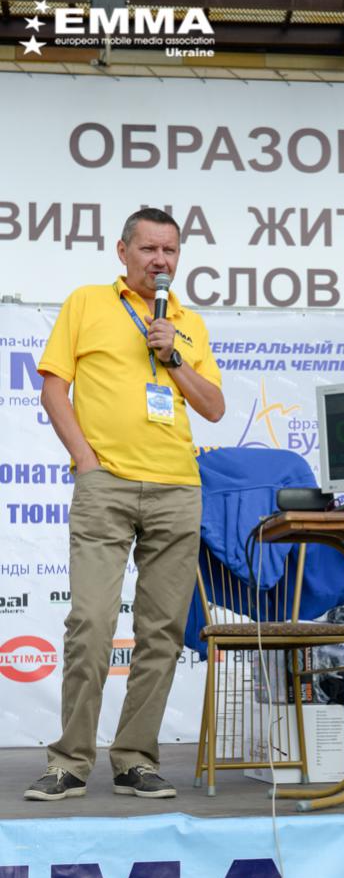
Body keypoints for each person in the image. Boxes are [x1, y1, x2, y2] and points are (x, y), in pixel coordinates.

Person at [24, 208, 225, 801]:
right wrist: (86, 461)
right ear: (123, 251)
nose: (160, 261)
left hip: (177, 488)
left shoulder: (186, 323)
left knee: (162, 632)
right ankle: (69, 762)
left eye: (170, 251)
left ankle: (135, 759)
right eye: (149, 249)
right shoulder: (87, 302)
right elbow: (53, 388)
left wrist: (174, 357)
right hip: (106, 484)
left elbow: (213, 407)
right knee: (90, 621)